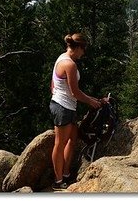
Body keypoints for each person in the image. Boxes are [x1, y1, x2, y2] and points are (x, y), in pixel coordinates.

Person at [49, 32, 104, 190]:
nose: (83, 52)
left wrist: (95, 100)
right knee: (60, 144)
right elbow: (75, 92)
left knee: (73, 139)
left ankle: (65, 173)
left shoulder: (62, 58)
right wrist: (91, 102)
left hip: (65, 105)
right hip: (63, 107)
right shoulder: (69, 64)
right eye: (83, 49)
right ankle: (58, 181)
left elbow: (53, 84)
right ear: (78, 47)